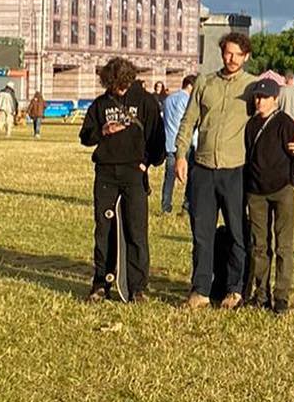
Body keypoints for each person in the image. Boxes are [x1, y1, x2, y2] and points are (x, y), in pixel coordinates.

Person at [174, 31, 256, 309]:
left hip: (236, 170)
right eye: (227, 53)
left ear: (246, 57)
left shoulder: (252, 86)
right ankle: (200, 289)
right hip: (203, 168)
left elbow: (269, 119)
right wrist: (180, 156)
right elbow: (189, 121)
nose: (231, 59)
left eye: (237, 54)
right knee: (202, 233)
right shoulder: (204, 82)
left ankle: (234, 288)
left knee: (237, 232)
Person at [79, 56, 165, 301]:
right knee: (104, 229)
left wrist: (147, 163)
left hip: (134, 174)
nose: (117, 88)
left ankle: (137, 286)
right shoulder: (100, 104)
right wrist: (102, 131)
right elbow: (85, 136)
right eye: (112, 84)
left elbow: (158, 138)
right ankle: (101, 282)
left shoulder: (146, 102)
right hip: (106, 173)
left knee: (136, 230)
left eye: (121, 83)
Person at [244, 76, 294, 313]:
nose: (260, 101)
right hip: (256, 192)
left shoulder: (284, 122)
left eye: (265, 97)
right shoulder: (250, 125)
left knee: (283, 246)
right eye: (257, 97)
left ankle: (281, 296)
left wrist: (293, 180)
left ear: (275, 99)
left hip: (281, 189)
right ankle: (261, 293)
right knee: (260, 246)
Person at [160, 74, 196, 214]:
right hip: (185, 142)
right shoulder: (188, 100)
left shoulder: (168, 99)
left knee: (169, 177)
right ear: (190, 86)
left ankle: (166, 206)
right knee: (190, 176)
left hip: (169, 142)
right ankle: (186, 206)